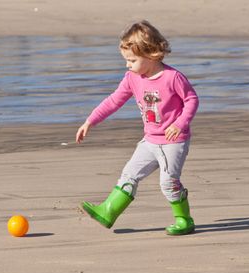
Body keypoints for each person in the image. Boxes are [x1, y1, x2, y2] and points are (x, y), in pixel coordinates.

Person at [75, 20, 199, 235]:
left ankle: (184, 219)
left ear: (151, 54)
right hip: (150, 140)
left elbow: (192, 100)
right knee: (128, 175)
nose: (127, 65)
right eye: (126, 60)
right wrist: (90, 121)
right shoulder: (132, 78)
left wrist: (180, 124)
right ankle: (108, 211)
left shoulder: (172, 77)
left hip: (173, 142)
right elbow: (114, 100)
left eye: (132, 60)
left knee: (168, 182)